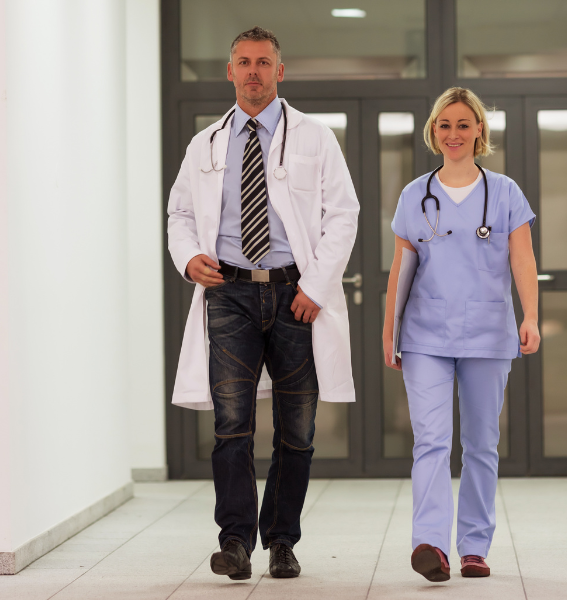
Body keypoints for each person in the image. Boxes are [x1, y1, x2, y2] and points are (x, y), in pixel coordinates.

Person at [167, 27, 359, 581]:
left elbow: (343, 214)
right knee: (231, 424)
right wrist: (188, 259)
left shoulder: (316, 138)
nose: (253, 71)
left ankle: (280, 541)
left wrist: (315, 286)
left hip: (296, 294)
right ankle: (234, 541)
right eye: (244, 63)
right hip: (227, 293)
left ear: (281, 70)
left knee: (297, 428)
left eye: (263, 62)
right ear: (229, 71)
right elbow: (180, 215)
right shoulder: (204, 143)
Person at [383, 87, 539, 582]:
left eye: (464, 124)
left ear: (479, 132)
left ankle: (473, 545)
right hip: (426, 333)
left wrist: (530, 317)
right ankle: (430, 544)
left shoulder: (506, 192)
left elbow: (523, 260)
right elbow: (400, 269)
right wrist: (390, 330)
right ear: (434, 131)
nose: (454, 133)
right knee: (431, 439)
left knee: (481, 443)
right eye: (445, 124)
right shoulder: (414, 194)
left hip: (489, 333)